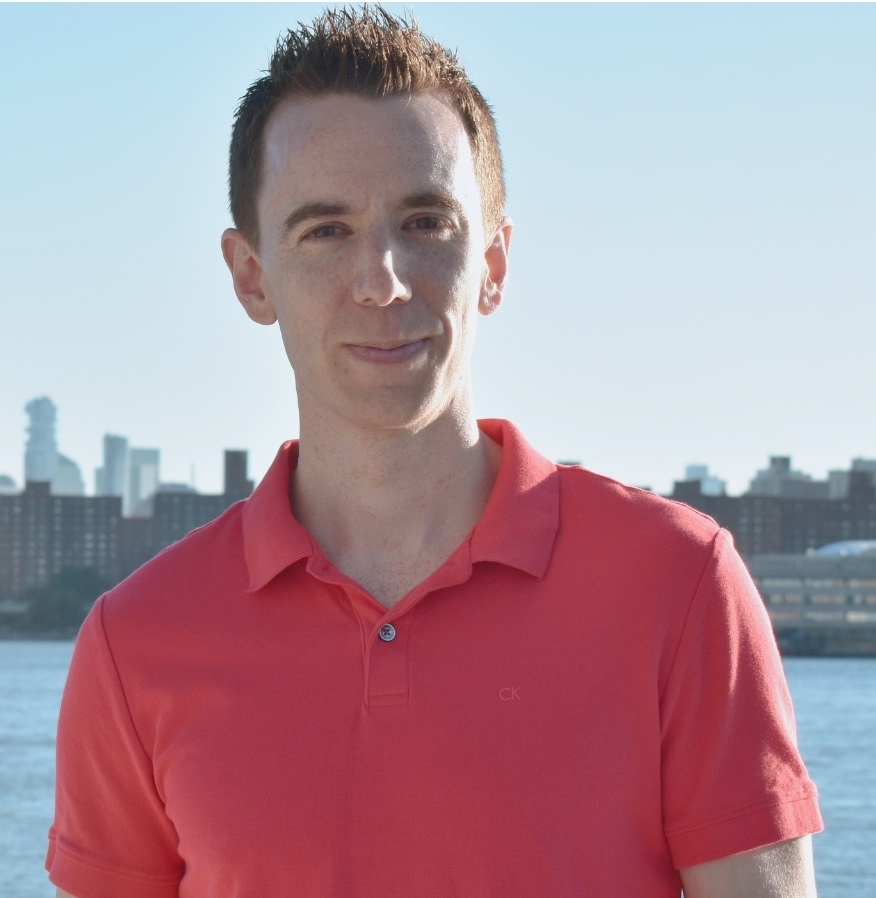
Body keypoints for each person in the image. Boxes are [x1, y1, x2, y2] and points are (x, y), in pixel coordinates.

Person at [47, 7, 823, 897]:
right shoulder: (136, 643)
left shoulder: (677, 585)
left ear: (492, 263)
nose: (382, 281)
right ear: (251, 275)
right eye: (325, 230)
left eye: (425, 222)